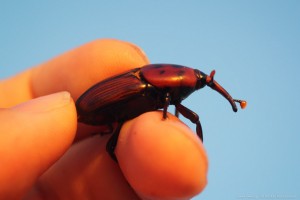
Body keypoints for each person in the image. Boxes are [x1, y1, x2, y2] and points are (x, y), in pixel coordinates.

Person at [0, 39, 208, 200]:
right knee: (112, 146)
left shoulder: (155, 89)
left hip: (97, 110)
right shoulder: (147, 88)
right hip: (93, 108)